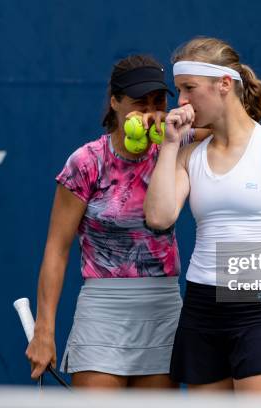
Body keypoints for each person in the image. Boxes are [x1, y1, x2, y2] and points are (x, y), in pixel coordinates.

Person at [144, 37, 261, 393]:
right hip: (202, 309)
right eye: (178, 90)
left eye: (189, 89)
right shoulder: (188, 155)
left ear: (224, 85)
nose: (181, 101)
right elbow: (159, 217)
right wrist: (170, 145)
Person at [25, 54, 207, 389]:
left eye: (158, 102)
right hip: (101, 315)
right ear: (114, 102)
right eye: (139, 103)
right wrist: (44, 331)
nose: (151, 113)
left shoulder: (176, 146)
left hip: (163, 314)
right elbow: (56, 250)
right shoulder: (86, 162)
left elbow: (231, 127)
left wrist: (189, 116)